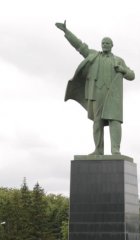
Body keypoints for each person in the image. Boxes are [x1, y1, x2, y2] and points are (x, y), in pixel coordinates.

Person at [56, 20, 135, 156]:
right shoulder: (93, 55)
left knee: (114, 121)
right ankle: (98, 149)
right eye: (103, 43)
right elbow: (79, 46)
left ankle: (115, 150)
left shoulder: (119, 60)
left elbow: (132, 75)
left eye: (107, 43)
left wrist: (122, 69)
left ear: (112, 45)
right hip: (96, 92)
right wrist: (67, 32)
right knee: (97, 122)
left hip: (113, 95)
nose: (105, 45)